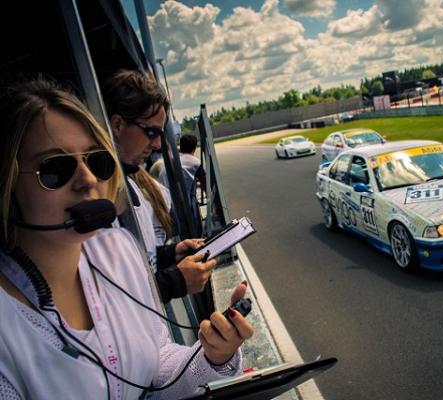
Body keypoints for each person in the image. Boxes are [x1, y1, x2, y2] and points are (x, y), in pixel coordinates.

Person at [0, 78, 253, 398]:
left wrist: (214, 357)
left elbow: (157, 365)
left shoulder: (119, 251)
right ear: (8, 182)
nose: (87, 179)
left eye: (97, 160)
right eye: (55, 168)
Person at [101, 69, 210, 303]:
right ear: (117, 125)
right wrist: (174, 283)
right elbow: (107, 297)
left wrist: (171, 253)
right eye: (151, 132)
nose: (157, 144)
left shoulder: (131, 185)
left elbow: (137, 262)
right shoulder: (93, 199)